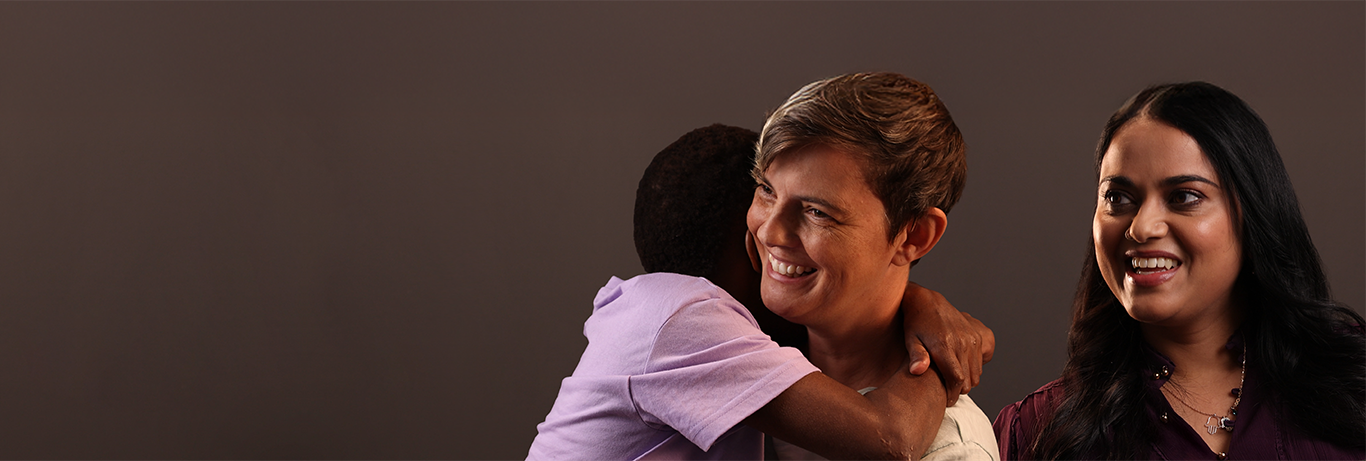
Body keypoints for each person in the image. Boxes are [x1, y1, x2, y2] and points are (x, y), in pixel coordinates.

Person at [526, 124, 994, 460]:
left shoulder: (655, 311)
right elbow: (890, 439)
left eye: (815, 212)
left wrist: (920, 301)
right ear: (752, 247)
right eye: (768, 196)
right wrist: (942, 354)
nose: (779, 238)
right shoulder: (684, 320)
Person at [993, 82, 1366, 460]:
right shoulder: (1038, 432)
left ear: (1252, 214)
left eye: (1183, 197)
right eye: (1118, 197)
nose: (1141, 228)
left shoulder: (1354, 383)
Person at [747, 72, 999, 461]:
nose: (770, 232)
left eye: (817, 212)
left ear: (915, 236)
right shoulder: (738, 353)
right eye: (767, 190)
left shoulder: (949, 450)